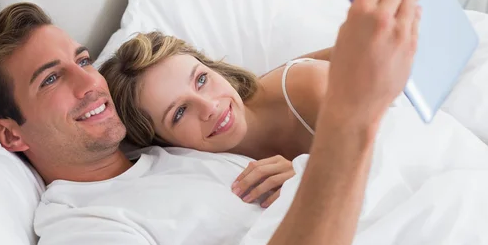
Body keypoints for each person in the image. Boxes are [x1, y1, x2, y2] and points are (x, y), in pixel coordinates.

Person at [0, 0, 421, 245]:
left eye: (81, 60)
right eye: (52, 79)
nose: (90, 81)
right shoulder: (78, 230)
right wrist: (347, 131)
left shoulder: (172, 147)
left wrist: (301, 176)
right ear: (10, 135)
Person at [98, 31, 336, 207]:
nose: (209, 107)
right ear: (161, 142)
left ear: (213, 68)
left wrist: (313, 175)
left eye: (201, 80)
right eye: (179, 112)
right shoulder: (207, 179)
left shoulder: (311, 88)